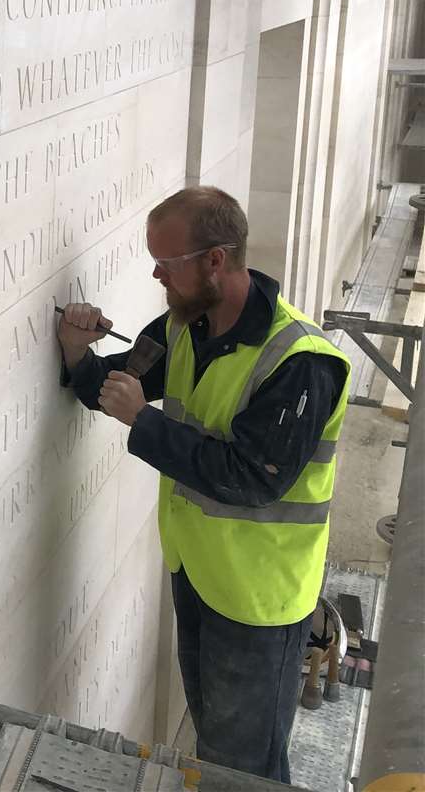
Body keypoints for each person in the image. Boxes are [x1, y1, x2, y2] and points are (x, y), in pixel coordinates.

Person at [57, 186, 349, 783]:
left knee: (246, 769)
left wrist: (145, 421)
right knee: (217, 750)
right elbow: (114, 387)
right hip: (198, 575)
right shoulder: (185, 326)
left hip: (260, 602)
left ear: (216, 260)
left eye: (168, 263)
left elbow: (253, 478)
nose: (158, 274)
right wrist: (76, 351)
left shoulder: (301, 362)